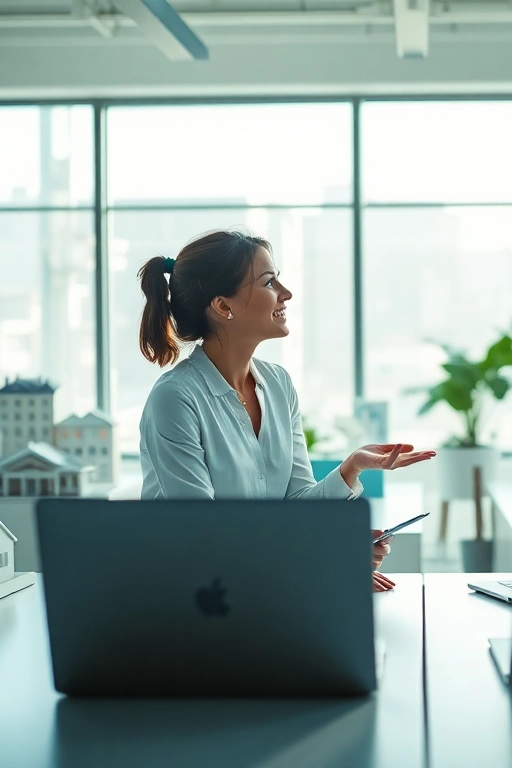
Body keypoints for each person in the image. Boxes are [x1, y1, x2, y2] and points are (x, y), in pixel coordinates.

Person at [137, 230, 435, 591]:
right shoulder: (175, 399)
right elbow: (206, 536)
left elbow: (296, 506)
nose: (286, 293)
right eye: (268, 282)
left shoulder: (278, 385)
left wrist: (351, 466)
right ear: (222, 306)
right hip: (194, 601)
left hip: (263, 595)